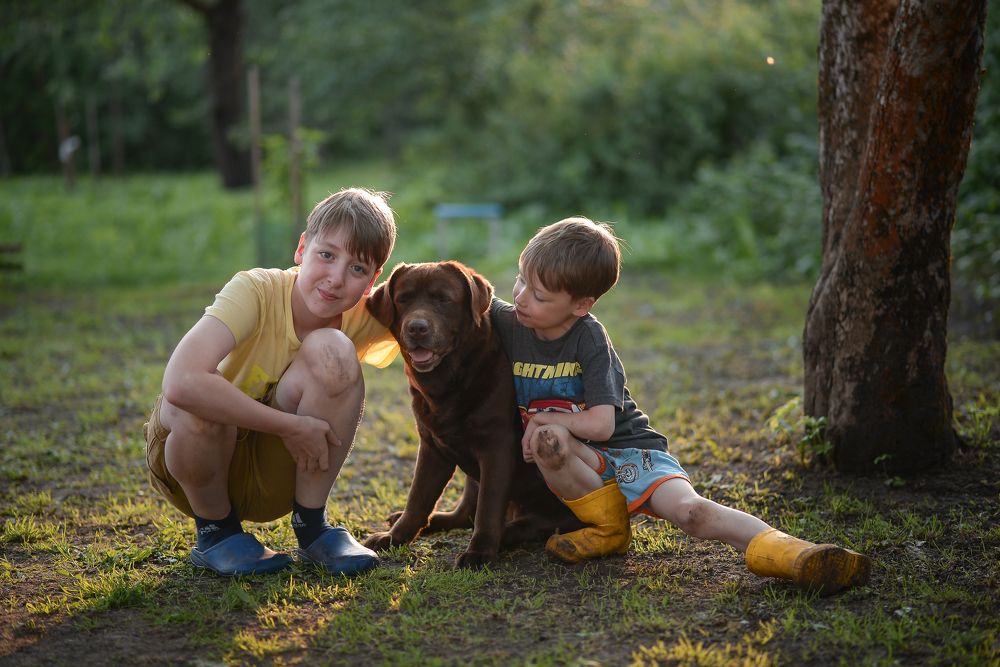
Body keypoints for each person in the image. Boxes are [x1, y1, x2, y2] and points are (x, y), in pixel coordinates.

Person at [490, 217, 871, 595]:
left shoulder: (589, 338)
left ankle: (797, 554)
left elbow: (603, 426)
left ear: (582, 304)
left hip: (632, 453)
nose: (521, 296)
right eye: (521, 279)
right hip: (582, 464)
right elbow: (456, 292)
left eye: (540, 295)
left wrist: (542, 416)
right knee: (549, 439)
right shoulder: (511, 321)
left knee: (693, 513)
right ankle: (609, 531)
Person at [143, 187, 400, 577]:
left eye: (357, 269)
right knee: (202, 396)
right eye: (327, 255)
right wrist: (291, 425)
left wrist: (522, 307)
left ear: (371, 281)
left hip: (273, 478)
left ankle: (313, 528)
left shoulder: (364, 314)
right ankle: (216, 533)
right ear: (302, 249)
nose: (335, 278)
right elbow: (180, 382)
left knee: (334, 348)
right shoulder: (255, 290)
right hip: (193, 465)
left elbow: (451, 313)